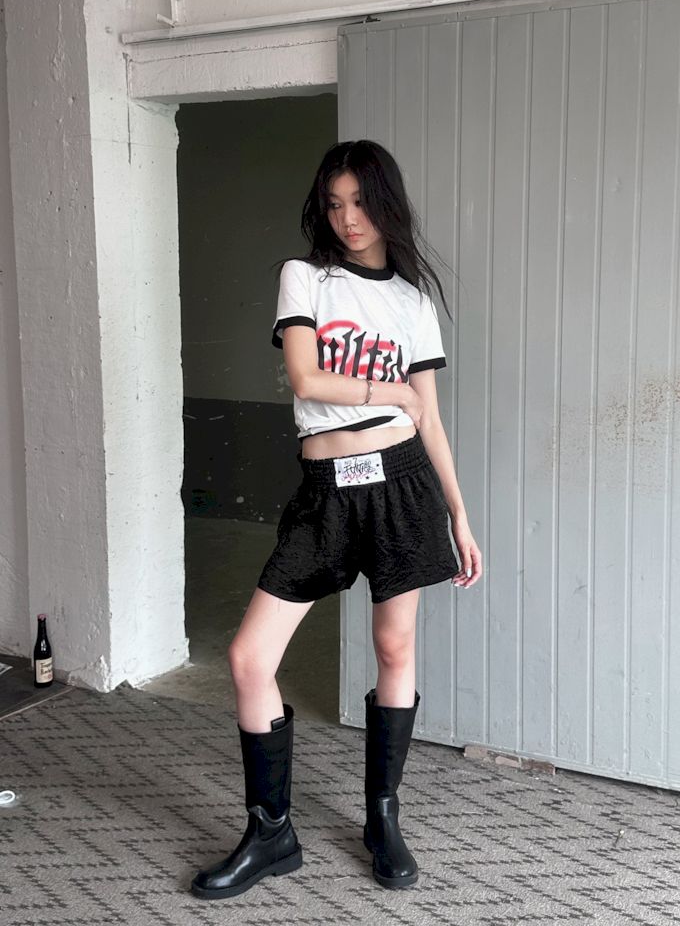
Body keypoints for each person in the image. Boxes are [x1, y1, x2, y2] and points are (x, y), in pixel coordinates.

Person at [190, 139, 482, 900]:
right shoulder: (306, 277)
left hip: (402, 485)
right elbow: (304, 375)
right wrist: (391, 393)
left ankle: (382, 816)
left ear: (387, 204)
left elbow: (430, 420)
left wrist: (459, 514)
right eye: (334, 204)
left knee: (394, 647)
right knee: (249, 658)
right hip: (325, 490)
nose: (348, 218)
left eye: (361, 202)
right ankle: (271, 833)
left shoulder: (413, 303)